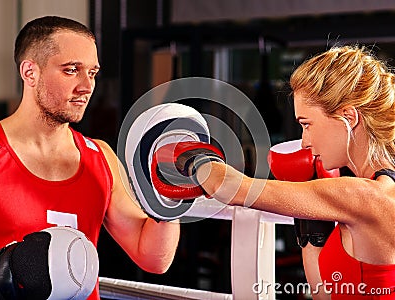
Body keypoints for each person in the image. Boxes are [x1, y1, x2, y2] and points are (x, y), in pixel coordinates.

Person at [153, 46, 395, 299]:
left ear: (349, 116)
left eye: (307, 124)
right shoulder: (366, 195)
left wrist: (194, 157)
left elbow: (230, 188)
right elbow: (326, 292)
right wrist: (310, 219)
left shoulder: (361, 196)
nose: (304, 142)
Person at [0, 16, 179, 299]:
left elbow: (154, 259)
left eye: (92, 73)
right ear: (30, 72)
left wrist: (171, 196)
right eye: (71, 70)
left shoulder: (101, 157)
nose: (86, 86)